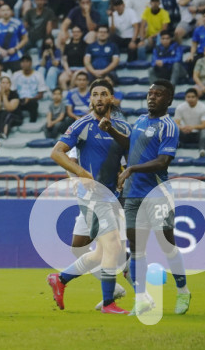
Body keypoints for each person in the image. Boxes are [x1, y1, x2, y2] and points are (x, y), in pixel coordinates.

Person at [47, 79, 131, 314]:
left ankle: (60, 279)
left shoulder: (123, 128)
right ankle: (109, 303)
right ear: (90, 99)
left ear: (111, 99)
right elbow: (57, 152)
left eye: (104, 94)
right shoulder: (82, 125)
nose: (99, 98)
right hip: (93, 196)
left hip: (114, 196)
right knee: (113, 246)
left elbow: (128, 159)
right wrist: (83, 175)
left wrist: (125, 175)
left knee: (102, 251)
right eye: (95, 94)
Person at [112, 80, 191, 316]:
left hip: (157, 193)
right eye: (150, 93)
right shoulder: (140, 121)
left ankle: (183, 291)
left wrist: (131, 169)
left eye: (158, 95)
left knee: (168, 246)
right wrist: (111, 131)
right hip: (133, 194)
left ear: (168, 100)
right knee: (136, 249)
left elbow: (163, 162)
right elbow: (130, 145)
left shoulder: (169, 126)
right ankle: (141, 299)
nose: (152, 97)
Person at [0, 3, 28, 72]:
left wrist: (15, 49)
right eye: (3, 10)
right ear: (0, 12)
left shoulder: (17, 23)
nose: (5, 12)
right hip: (2, 56)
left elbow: (25, 39)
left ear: (11, 11)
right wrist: (0, 50)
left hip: (15, 56)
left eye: (7, 10)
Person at [12, 55, 46, 123]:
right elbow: (13, 91)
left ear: (31, 63)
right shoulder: (16, 75)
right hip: (19, 100)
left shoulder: (38, 75)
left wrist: (29, 99)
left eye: (27, 61)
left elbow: (41, 94)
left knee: (34, 104)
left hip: (32, 100)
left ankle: (33, 122)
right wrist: (19, 99)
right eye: (23, 62)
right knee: (14, 102)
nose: (24, 64)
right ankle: (19, 120)